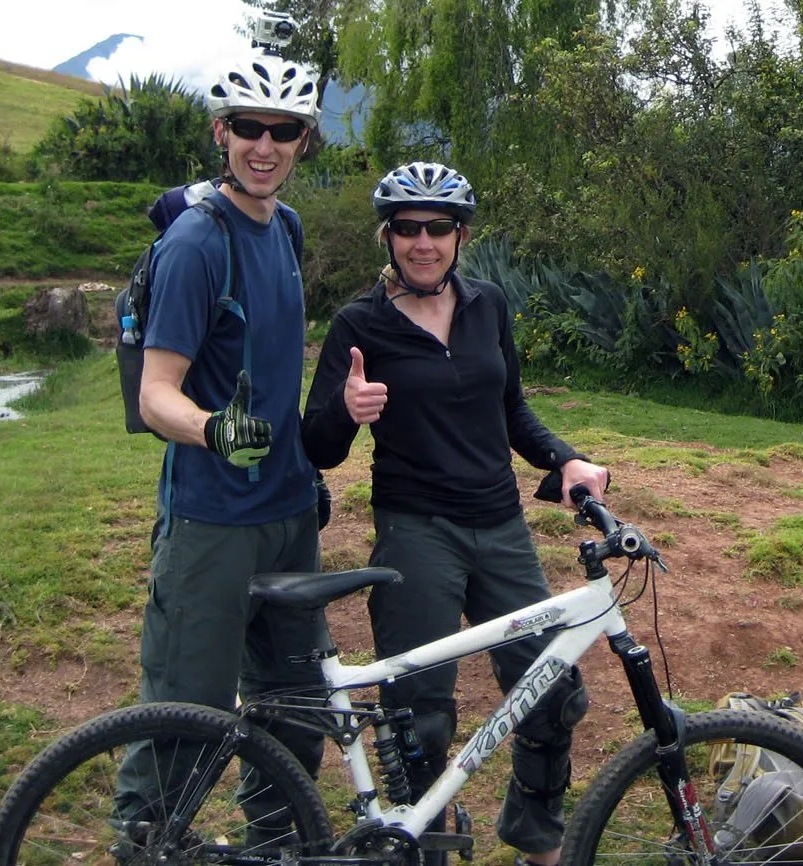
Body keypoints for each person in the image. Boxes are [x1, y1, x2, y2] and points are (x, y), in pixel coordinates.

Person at [300, 162, 609, 866]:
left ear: (461, 235)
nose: (423, 242)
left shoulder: (487, 305)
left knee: (550, 691)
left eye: (439, 228)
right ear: (388, 237)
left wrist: (565, 459)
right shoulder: (360, 323)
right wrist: (346, 414)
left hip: (499, 522)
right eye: (407, 229)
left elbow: (511, 410)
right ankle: (424, 849)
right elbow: (315, 445)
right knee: (420, 720)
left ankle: (536, 839)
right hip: (416, 530)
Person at [112, 50, 325, 855]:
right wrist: (213, 428)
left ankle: (277, 840)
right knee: (187, 707)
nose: (263, 146)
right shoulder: (198, 244)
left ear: (303, 140)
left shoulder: (287, 228)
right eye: (248, 128)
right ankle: (144, 842)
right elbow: (156, 394)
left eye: (283, 130)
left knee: (294, 700)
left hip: (288, 511)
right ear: (220, 132)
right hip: (211, 518)